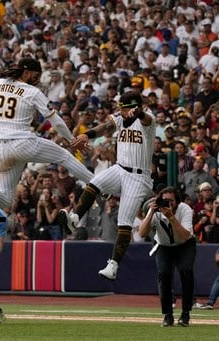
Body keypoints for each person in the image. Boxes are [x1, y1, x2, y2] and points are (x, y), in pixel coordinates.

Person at [0, 57, 93, 211]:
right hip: (23, 143)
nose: (37, 80)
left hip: (0, 149)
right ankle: (97, 184)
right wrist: (71, 140)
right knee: (64, 155)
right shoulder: (32, 92)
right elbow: (57, 121)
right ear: (26, 72)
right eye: (35, 76)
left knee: (6, 199)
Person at [58, 91, 156, 280]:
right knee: (94, 182)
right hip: (120, 169)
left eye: (124, 108)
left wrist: (138, 113)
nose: (121, 111)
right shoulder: (121, 118)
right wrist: (87, 134)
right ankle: (76, 217)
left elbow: (146, 120)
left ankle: (114, 265)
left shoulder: (147, 118)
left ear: (134, 107)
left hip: (138, 177)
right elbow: (104, 127)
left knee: (124, 221)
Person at [138, 187, 196, 327]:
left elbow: (185, 235)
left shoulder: (185, 209)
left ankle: (185, 313)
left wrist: (171, 217)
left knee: (186, 271)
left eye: (171, 200)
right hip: (164, 245)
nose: (167, 203)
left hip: (184, 244)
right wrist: (151, 212)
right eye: (164, 200)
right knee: (163, 274)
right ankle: (167, 314)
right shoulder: (156, 211)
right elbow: (141, 233)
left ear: (177, 201)